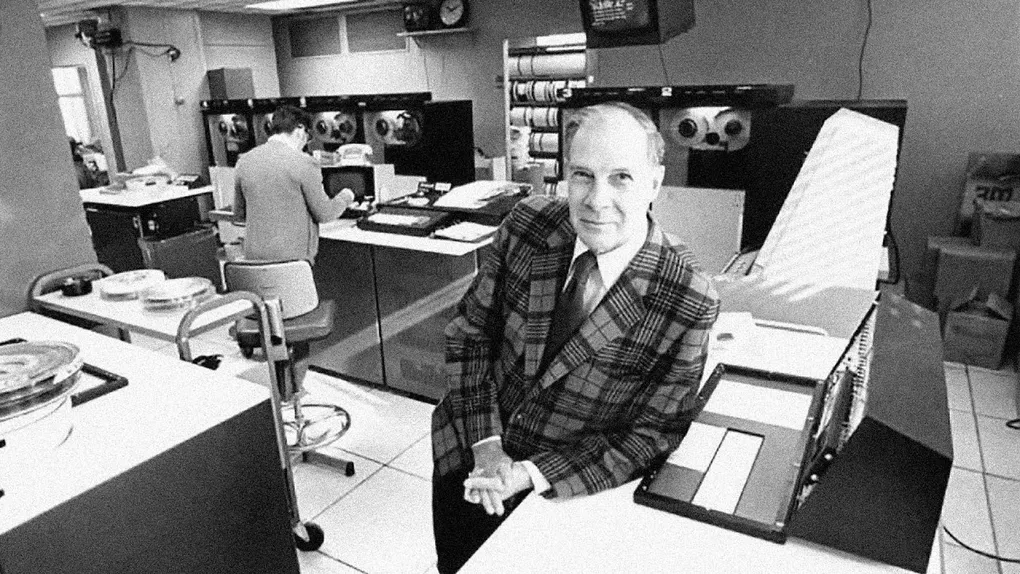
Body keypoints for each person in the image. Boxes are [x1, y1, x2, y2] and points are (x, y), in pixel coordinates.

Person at [430, 102, 720, 573]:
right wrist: (486, 445)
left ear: (655, 183)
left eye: (621, 177)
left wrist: (528, 474)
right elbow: (469, 333)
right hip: (468, 449)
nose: (596, 200)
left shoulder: (687, 296)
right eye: (583, 175)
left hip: (564, 492)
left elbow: (651, 434)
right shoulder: (528, 224)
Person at [233, 104, 354, 264]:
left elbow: (239, 214)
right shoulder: (305, 163)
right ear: (300, 129)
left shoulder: (244, 161)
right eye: (308, 136)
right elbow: (324, 213)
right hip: (292, 264)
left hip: (253, 262)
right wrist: (346, 196)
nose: (305, 143)